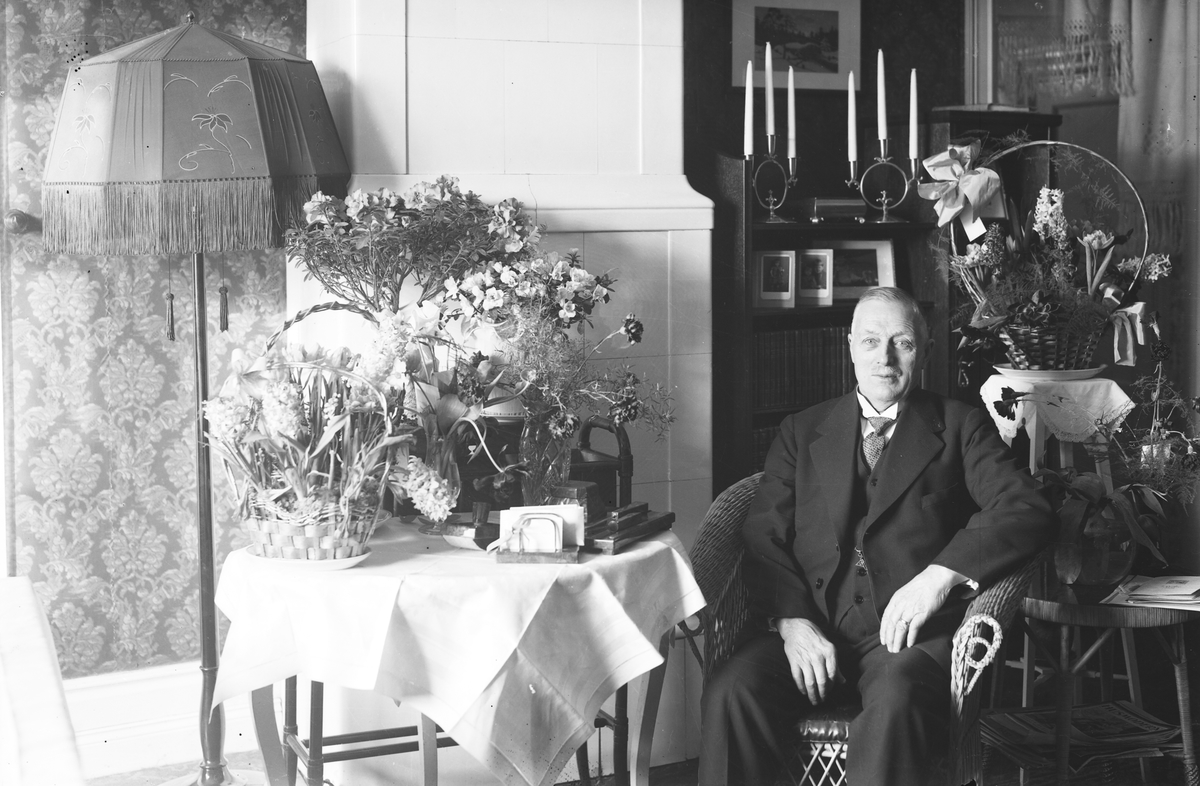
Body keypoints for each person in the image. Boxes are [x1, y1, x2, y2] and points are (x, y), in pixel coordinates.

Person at [699, 287, 1056, 786]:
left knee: (896, 704)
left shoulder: (961, 426)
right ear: (849, 346)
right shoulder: (801, 430)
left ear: (925, 351)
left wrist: (939, 576)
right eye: (870, 341)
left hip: (906, 643)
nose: (884, 358)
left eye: (901, 343)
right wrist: (792, 623)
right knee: (731, 690)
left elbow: (1026, 508)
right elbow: (763, 536)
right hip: (811, 627)